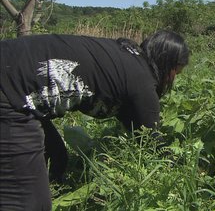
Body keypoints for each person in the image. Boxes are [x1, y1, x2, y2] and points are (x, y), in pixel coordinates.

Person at [0, 30, 189, 210]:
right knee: (30, 203)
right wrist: (183, 170)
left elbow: (135, 127)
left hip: (14, 79)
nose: (171, 81)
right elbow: (152, 141)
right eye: (175, 74)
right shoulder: (143, 83)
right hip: (10, 90)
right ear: (167, 64)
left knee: (56, 157)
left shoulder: (127, 60)